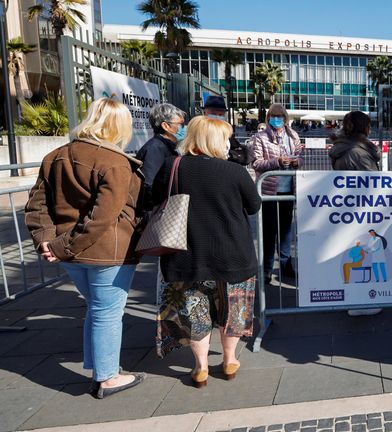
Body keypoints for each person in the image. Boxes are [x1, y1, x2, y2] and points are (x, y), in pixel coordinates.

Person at [25, 98, 146, 399]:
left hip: (70, 250)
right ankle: (107, 377)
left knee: (97, 308)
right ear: (119, 126)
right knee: (107, 312)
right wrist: (61, 246)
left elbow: (37, 205)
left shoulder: (55, 156)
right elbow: (101, 218)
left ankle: (100, 367)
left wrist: (48, 242)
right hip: (107, 249)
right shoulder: (114, 161)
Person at [154, 116, 261, 388]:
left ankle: (200, 367)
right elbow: (254, 205)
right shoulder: (234, 171)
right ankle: (229, 359)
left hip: (185, 255)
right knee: (234, 310)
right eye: (225, 138)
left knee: (194, 312)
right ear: (214, 141)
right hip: (233, 254)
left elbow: (152, 199)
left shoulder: (173, 166)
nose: (228, 144)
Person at [328, 111, 382, 316]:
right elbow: (371, 181)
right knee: (363, 255)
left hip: (350, 208)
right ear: (364, 128)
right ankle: (361, 303)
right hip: (362, 209)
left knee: (356, 253)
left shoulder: (343, 148)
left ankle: (355, 300)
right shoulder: (357, 151)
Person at [251, 104, 303, 280]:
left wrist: (296, 162)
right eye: (273, 115)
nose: (277, 118)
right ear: (268, 118)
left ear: (285, 118)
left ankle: (286, 264)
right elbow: (256, 163)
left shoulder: (293, 135)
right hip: (269, 191)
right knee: (269, 230)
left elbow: (299, 157)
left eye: (280, 116)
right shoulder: (260, 137)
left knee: (286, 231)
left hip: (289, 189)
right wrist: (277, 162)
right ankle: (266, 269)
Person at [136, 103, 186, 209]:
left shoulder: (170, 147)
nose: (183, 128)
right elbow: (148, 186)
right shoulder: (154, 149)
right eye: (180, 124)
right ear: (165, 126)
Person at [202, 95, 254, 166]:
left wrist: (230, 155)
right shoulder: (199, 131)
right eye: (213, 114)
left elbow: (244, 156)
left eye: (220, 114)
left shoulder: (226, 132)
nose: (217, 117)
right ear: (204, 113)